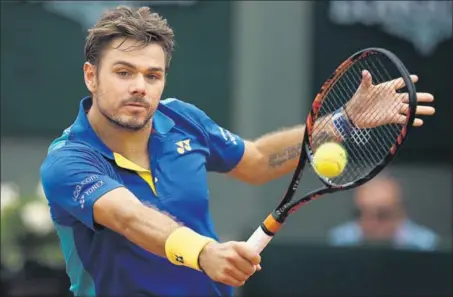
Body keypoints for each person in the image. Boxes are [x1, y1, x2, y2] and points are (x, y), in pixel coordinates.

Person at [39, 5, 436, 297]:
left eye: (152, 74)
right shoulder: (68, 160)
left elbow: (259, 161)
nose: (140, 86)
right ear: (91, 76)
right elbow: (130, 218)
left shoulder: (182, 119)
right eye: (124, 72)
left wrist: (344, 119)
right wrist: (204, 252)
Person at [328, 175, 439, 251]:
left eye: (382, 215)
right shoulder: (339, 242)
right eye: (360, 214)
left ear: (401, 214)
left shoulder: (427, 246)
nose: (370, 224)